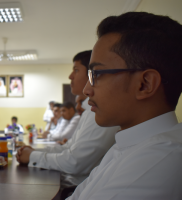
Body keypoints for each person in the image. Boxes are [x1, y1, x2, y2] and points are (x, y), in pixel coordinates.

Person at [68, 12, 182, 199]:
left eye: (97, 74)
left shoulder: (160, 158)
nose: (87, 90)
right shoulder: (127, 144)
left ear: (145, 84)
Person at [16, 51, 119, 187]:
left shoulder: (101, 111)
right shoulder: (89, 111)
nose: (70, 76)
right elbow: (68, 148)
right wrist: (34, 152)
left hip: (75, 186)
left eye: (76, 70)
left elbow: (75, 162)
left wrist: (32, 156)